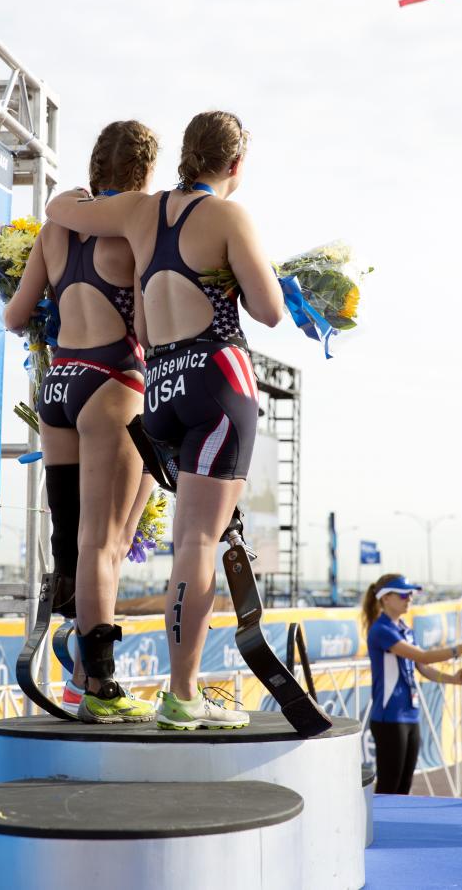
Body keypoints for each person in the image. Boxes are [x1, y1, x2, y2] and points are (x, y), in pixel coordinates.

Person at [47, 110, 284, 730]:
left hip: (162, 387)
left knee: (184, 541)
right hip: (218, 376)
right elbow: (270, 311)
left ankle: (119, 677)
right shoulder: (230, 216)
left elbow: (145, 326)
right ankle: (182, 694)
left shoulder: (140, 212)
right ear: (235, 165)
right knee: (199, 544)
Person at [5, 120, 158, 723]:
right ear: (144, 172)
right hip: (113, 381)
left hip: (60, 384)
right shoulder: (138, 223)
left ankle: (78, 679)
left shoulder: (55, 229)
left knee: (73, 543)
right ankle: (99, 683)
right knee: (106, 544)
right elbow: (146, 328)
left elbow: (15, 316)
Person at [363, 572, 462, 794]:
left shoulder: (405, 630)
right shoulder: (381, 630)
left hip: (410, 714)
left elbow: (422, 667)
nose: (409, 598)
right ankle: (382, 829)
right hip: (389, 716)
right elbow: (423, 657)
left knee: (404, 786)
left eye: (410, 594)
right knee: (389, 787)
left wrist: (452, 679)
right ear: (385, 598)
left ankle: (398, 828)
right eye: (403, 595)